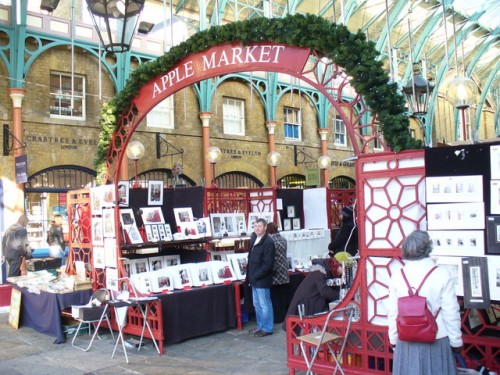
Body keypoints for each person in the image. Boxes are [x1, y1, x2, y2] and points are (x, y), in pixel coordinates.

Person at [387, 230, 462, 375]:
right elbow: (450, 312)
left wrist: (393, 339)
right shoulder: (441, 274)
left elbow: (393, 313)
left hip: (406, 340)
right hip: (437, 338)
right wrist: (456, 342)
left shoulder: (397, 276)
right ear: (428, 247)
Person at [283, 257, 342, 332]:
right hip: (307, 302)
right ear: (337, 265)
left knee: (311, 329)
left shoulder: (326, 271)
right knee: (307, 330)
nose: (343, 271)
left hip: (312, 301)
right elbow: (324, 291)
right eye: (343, 267)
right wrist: (341, 295)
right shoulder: (320, 272)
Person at [246, 218, 276, 337]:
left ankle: (267, 328)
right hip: (254, 278)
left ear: (265, 228)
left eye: (259, 226)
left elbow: (268, 264)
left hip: (262, 279)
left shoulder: (268, 242)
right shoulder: (254, 239)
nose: (257, 228)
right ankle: (260, 326)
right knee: (257, 304)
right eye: (255, 226)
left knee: (265, 305)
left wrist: (256, 275)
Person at [267, 222, 290, 324]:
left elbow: (270, 258)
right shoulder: (283, 240)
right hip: (284, 270)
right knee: (283, 295)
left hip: (275, 271)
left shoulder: (270, 241)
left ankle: (277, 318)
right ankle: (284, 315)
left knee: (275, 296)